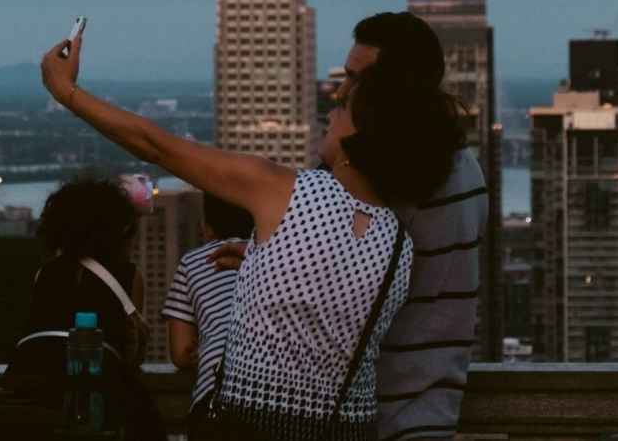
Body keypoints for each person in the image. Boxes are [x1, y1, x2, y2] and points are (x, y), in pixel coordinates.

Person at [40, 26, 460, 441]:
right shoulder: (399, 244)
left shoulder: (285, 190)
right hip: (349, 429)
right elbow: (329, 303)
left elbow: (156, 146)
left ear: (362, 134)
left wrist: (67, 93)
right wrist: (262, 257)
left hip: (250, 425)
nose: (331, 111)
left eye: (344, 109)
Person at [207, 12, 490, 440]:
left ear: (395, 87)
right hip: (434, 412)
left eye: (356, 80)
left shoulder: (394, 177)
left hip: (370, 418)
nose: (340, 91)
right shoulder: (468, 171)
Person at [4, 176, 164, 441]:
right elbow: (130, 348)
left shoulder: (45, 274)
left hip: (30, 391)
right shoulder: (128, 275)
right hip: (101, 400)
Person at [162, 192, 255, 436]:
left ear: (209, 228)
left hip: (217, 397)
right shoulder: (277, 257)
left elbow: (181, 354)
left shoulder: (192, 262)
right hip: (279, 397)